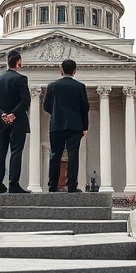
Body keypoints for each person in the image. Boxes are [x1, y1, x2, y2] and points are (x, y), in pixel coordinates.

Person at [0, 49, 31, 194]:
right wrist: (13, 114)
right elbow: (25, 100)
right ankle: (13, 184)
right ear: (18, 62)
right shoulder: (21, 79)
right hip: (17, 121)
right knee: (16, 152)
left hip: (1, 122)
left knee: (0, 152)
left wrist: (2, 114)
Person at [43, 59, 89, 192]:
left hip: (56, 126)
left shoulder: (53, 86)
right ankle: (72, 186)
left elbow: (46, 106)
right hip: (75, 127)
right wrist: (84, 127)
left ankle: (52, 185)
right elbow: (84, 108)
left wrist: (56, 113)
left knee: (55, 155)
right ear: (74, 71)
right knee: (73, 155)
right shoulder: (80, 87)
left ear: (61, 70)